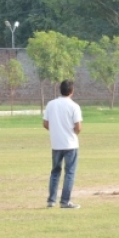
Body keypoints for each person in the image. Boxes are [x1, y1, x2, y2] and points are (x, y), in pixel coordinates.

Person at [43, 80, 83, 208]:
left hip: (56, 144)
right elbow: (78, 127)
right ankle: (65, 201)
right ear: (72, 91)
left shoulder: (51, 104)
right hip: (70, 144)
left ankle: (51, 200)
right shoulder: (74, 106)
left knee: (55, 172)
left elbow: (45, 124)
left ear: (60, 90)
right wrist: (73, 132)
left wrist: (56, 131)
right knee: (69, 172)